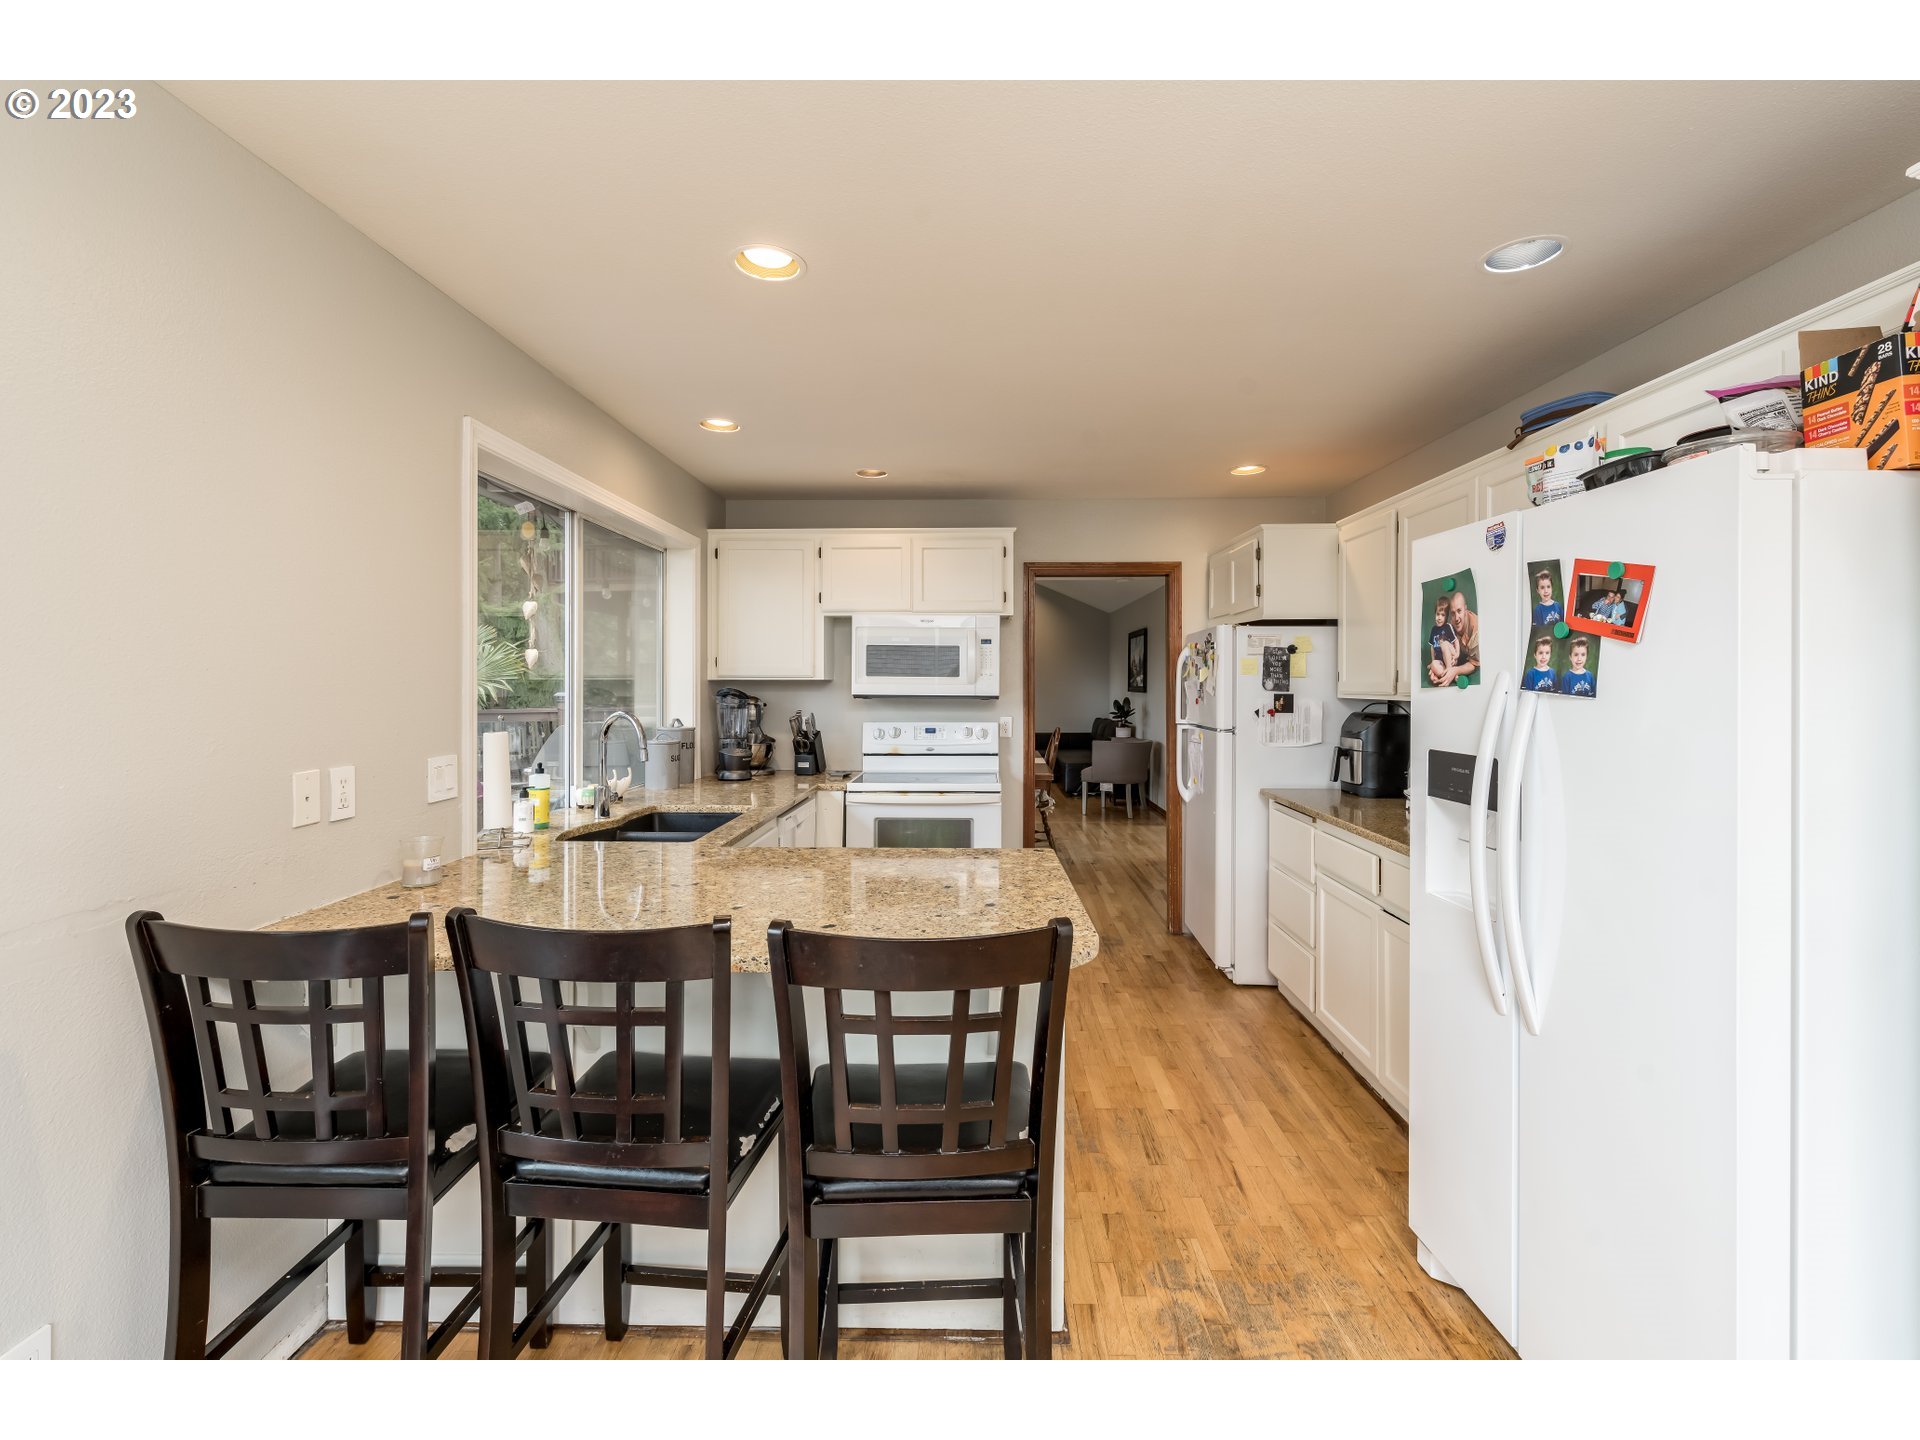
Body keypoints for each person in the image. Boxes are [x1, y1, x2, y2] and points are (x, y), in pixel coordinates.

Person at [1428, 588, 1480, 686]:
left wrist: (1455, 671)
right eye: (1452, 613)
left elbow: (1474, 663)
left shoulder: (1476, 629)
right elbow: (1442, 651)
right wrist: (1434, 669)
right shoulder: (1448, 627)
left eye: (1459, 611)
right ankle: (1444, 674)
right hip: (1452, 661)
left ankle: (1448, 673)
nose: (1456, 618)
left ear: (1465, 609)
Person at [1427, 596, 1457, 674]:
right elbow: (1432, 647)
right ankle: (1444, 673)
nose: (1439, 618)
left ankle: (1449, 670)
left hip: (1451, 658)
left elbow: (1456, 641)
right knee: (1434, 665)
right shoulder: (1433, 629)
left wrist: (1456, 655)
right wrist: (1433, 661)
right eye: (1438, 614)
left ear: (1446, 616)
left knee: (1443, 643)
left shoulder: (1448, 627)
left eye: (1443, 615)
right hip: (1441, 661)